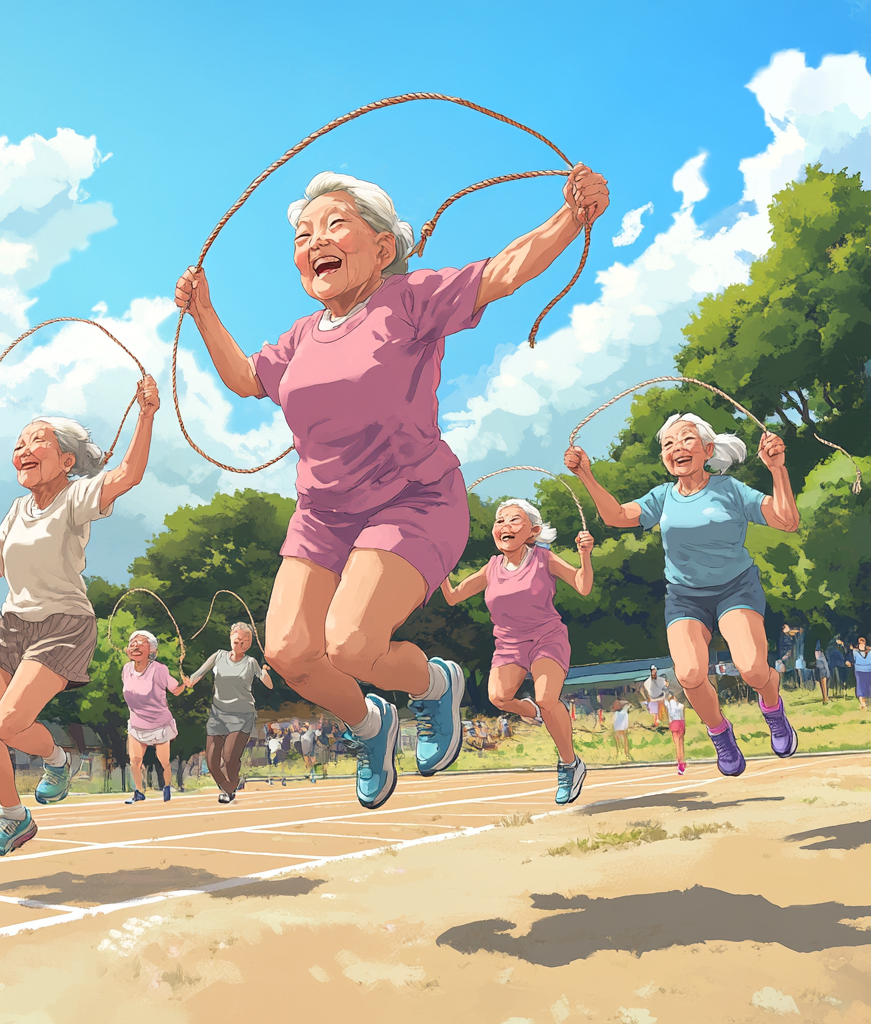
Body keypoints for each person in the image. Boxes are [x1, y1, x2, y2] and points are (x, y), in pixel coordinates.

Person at [176, 167, 609, 809]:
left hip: (411, 502)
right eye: (302, 233)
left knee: (350, 643)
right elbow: (245, 378)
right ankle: (371, 726)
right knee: (293, 654)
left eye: (334, 224)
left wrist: (573, 216)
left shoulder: (409, 300)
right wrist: (204, 310)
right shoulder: (299, 335)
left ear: (382, 249)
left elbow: (503, 271)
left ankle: (435, 685)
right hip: (322, 514)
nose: (314, 240)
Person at [0, 376, 160, 856]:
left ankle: (57, 759)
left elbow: (128, 474)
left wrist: (146, 414)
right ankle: (13, 816)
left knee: (9, 723)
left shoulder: (76, 497)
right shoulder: (15, 509)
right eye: (19, 444)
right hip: (14, 624)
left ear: (67, 460)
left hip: (63, 625)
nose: (23, 450)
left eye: (37, 441)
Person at [565, 412, 801, 778]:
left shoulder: (731, 489)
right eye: (668, 444)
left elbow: (787, 521)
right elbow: (615, 516)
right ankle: (721, 734)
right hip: (685, 596)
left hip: (735, 588)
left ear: (708, 449)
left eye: (687, 439)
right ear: (663, 457)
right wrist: (585, 474)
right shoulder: (662, 497)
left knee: (754, 669)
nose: (677, 448)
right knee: (689, 674)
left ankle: (773, 710)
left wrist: (777, 469)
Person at [440, 499, 595, 804]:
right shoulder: (492, 566)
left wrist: (585, 556)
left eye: (514, 520)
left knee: (548, 697)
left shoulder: (544, 559)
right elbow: (454, 596)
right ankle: (533, 713)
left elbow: (583, 586)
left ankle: (570, 764)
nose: (504, 526)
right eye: (500, 521)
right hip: (509, 643)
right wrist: (439, 564)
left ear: (533, 531)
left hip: (546, 638)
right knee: (499, 697)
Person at [187, 623, 273, 803]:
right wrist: (186, 683)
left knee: (229, 758)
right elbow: (197, 675)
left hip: (242, 715)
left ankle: (229, 788)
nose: (240, 643)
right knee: (211, 761)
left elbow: (269, 685)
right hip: (218, 714)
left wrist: (265, 672)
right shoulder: (218, 656)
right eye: (238, 639)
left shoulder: (251, 662)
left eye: (245, 641)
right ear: (231, 637)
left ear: (249, 644)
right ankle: (230, 786)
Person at [121, 629, 190, 804]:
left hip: (159, 723)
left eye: (141, 642)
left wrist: (186, 683)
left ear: (152, 650)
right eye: (132, 643)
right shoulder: (126, 669)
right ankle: (138, 791)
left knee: (164, 761)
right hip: (137, 723)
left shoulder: (159, 669)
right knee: (135, 760)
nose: (135, 646)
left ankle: (167, 787)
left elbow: (175, 690)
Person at [665, 690, 687, 775]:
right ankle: (682, 762)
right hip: (680, 722)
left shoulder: (669, 703)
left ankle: (680, 763)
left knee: (677, 744)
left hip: (674, 722)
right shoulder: (679, 703)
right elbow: (682, 712)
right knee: (681, 744)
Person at [852, 638, 871, 711]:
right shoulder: (855, 652)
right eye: (860, 643)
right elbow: (852, 659)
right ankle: (862, 703)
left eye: (863, 643)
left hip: (869, 671)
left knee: (868, 686)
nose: (861, 645)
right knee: (860, 686)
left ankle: (866, 703)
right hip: (859, 671)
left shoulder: (869, 652)